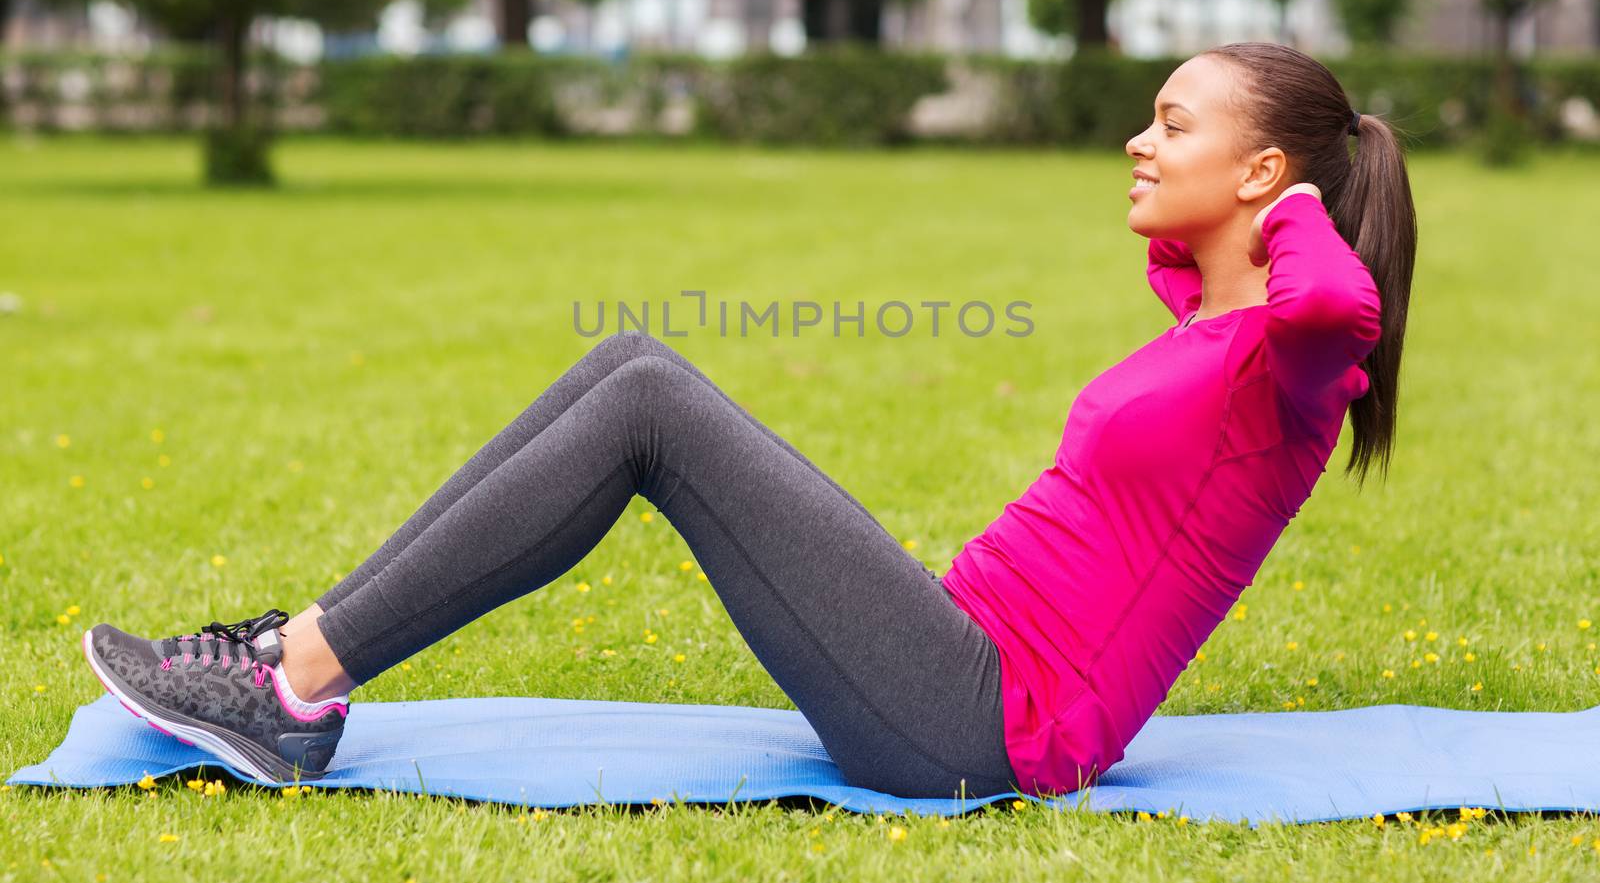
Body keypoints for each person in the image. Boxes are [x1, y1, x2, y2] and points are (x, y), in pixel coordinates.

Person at [81, 41, 1416, 799]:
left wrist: (1296, 199)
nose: (1137, 139)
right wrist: (1242, 206)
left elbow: (1337, 301)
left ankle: (289, 686)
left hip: (992, 723)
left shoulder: (1302, 358)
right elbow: (1200, 275)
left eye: (1171, 123)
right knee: (629, 361)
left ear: (1262, 171)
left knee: (654, 403)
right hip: (962, 655)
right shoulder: (1225, 332)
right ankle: (294, 655)